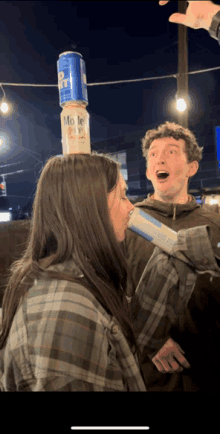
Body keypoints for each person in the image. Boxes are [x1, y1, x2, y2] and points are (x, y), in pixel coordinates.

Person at [0, 152, 219, 391]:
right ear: (89, 207)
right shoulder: (67, 312)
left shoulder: (84, 279)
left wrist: (184, 253)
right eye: (123, 196)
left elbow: (123, 335)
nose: (130, 209)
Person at [123, 120, 220, 391]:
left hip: (209, 368)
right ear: (148, 170)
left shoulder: (215, 224)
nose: (159, 158)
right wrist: (152, 340)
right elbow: (111, 292)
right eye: (153, 154)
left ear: (192, 168)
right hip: (149, 373)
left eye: (171, 151)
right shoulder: (128, 223)